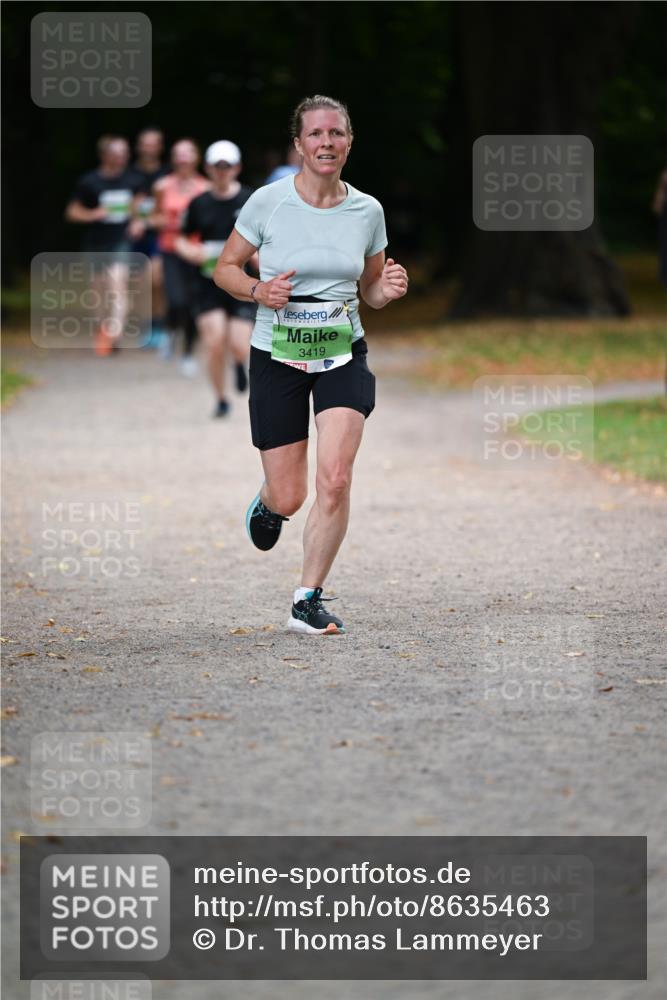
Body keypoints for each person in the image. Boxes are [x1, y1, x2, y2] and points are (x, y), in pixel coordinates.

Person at [215, 95, 408, 634]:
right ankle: (270, 505)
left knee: (337, 478)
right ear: (299, 144)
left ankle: (307, 598)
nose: (327, 143)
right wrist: (258, 289)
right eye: (316, 134)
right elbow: (224, 269)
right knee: (292, 492)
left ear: (349, 141)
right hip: (277, 352)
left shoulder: (368, 210)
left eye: (336, 133)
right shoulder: (268, 203)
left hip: (343, 351)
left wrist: (385, 290)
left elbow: (369, 288)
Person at [175, 141, 258, 417]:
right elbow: (181, 240)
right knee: (214, 341)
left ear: (237, 168)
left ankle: (238, 363)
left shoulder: (251, 200)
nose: (222, 171)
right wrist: (193, 253)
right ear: (208, 168)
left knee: (238, 343)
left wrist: (258, 258)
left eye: (228, 165)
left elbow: (266, 240)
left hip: (242, 283)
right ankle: (221, 398)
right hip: (207, 284)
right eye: (217, 166)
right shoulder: (199, 204)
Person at [65, 135, 144, 355]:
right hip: (96, 242)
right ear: (104, 155)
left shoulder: (134, 180)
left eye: (125, 152)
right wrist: (92, 214)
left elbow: (141, 209)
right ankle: (103, 328)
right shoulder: (89, 182)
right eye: (118, 153)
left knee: (118, 285)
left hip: (121, 241)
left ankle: (111, 333)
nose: (123, 157)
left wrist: (138, 222)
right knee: (98, 293)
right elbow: (72, 212)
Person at [153, 139, 209, 374]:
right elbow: (153, 219)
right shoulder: (162, 186)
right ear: (173, 159)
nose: (183, 158)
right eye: (179, 154)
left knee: (192, 304)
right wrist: (168, 222)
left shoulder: (205, 187)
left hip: (197, 252)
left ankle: (187, 354)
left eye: (188, 153)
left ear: (196, 158)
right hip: (171, 249)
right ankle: (169, 329)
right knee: (176, 301)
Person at [130, 128, 169, 347]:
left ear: (160, 147)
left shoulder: (167, 173)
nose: (149, 148)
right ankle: (145, 325)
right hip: (133, 237)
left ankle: (159, 326)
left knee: (157, 280)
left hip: (158, 235)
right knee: (138, 284)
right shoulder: (129, 173)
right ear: (138, 147)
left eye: (153, 144)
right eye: (145, 143)